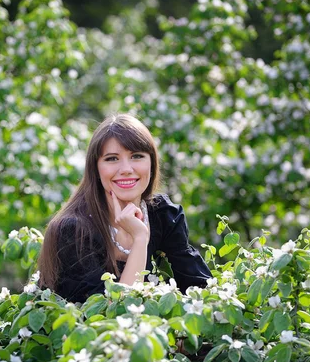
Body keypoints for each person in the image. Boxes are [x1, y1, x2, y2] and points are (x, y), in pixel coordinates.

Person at [38, 114, 212, 303]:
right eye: (112, 159)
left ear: (152, 163)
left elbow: (201, 289)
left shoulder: (162, 214)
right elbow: (111, 316)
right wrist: (140, 239)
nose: (126, 169)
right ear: (95, 169)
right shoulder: (73, 230)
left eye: (137, 156)